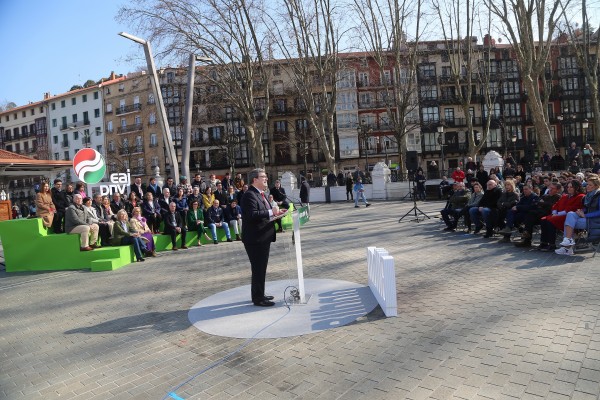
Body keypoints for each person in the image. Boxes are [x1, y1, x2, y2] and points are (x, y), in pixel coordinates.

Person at [241, 168, 286, 307]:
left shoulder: (262, 194)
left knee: (261, 268)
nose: (266, 179)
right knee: (258, 268)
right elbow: (252, 215)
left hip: (263, 237)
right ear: (255, 179)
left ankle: (260, 293)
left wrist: (276, 214)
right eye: (263, 177)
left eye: (266, 177)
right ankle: (258, 298)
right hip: (255, 238)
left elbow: (266, 214)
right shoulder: (249, 195)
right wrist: (270, 211)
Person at [555, 176, 600, 255]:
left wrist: (586, 215)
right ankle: (568, 241)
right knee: (570, 214)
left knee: (569, 221)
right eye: (587, 184)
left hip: (595, 221)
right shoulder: (588, 196)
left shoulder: (598, 195)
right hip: (587, 218)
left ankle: (567, 247)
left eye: (590, 185)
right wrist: (581, 211)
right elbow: (587, 208)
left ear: (596, 186)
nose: (587, 186)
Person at [538, 180, 585, 251]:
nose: (568, 188)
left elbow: (572, 208)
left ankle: (552, 244)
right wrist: (554, 212)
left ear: (577, 188)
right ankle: (544, 242)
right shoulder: (565, 196)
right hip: (559, 215)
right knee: (543, 219)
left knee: (550, 221)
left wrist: (557, 214)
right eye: (568, 187)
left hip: (569, 216)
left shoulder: (580, 196)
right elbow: (556, 205)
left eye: (571, 187)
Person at [514, 182, 562, 247]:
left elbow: (553, 207)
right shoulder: (545, 196)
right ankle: (527, 238)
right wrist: (545, 204)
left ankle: (527, 235)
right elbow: (538, 204)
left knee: (533, 216)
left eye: (553, 188)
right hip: (539, 215)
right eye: (550, 188)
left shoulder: (558, 197)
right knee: (529, 215)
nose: (550, 189)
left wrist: (544, 204)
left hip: (550, 215)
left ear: (558, 190)